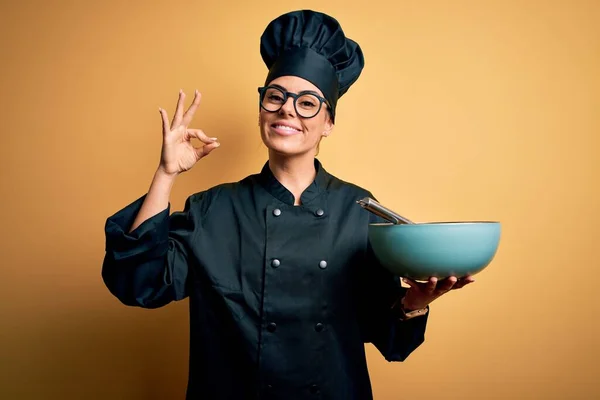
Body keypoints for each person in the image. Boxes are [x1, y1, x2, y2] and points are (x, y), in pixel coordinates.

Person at [101, 9, 474, 400]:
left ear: (328, 122)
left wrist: (414, 302)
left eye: (308, 102)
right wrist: (166, 173)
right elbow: (138, 283)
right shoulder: (213, 209)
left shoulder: (360, 211)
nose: (287, 109)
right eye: (275, 97)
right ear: (261, 108)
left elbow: (390, 338)